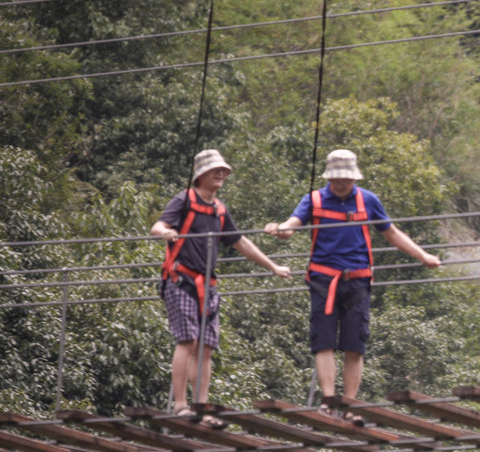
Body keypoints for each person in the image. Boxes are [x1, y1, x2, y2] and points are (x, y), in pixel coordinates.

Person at [265, 149, 440, 421]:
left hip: (358, 280)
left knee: (355, 344)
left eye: (347, 179)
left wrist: (423, 256)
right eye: (338, 179)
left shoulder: (368, 200)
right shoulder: (314, 199)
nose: (342, 184)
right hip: (324, 280)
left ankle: (349, 404)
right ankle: (327, 400)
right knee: (323, 342)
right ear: (329, 177)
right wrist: (280, 229)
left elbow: (391, 232)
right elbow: (293, 225)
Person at [153, 149, 292, 426]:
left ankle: (201, 408)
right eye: (216, 170)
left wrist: (273, 267)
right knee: (187, 341)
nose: (222, 174)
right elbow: (158, 225)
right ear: (200, 174)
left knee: (205, 347)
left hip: (208, 286)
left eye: (224, 171)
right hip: (180, 280)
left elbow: (241, 242)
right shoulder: (184, 200)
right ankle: (180, 405)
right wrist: (166, 232)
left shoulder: (219, 209)